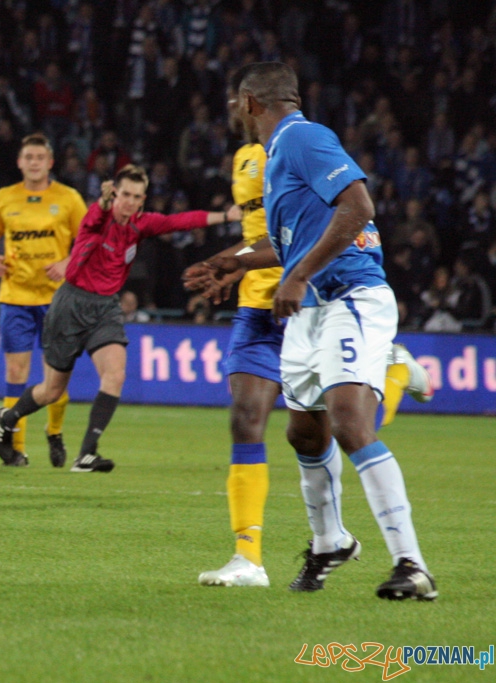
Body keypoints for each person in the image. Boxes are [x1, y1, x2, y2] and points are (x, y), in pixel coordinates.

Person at [184, 65, 435, 589]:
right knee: (304, 431)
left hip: (351, 295)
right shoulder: (277, 156)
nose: (235, 111)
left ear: (251, 102)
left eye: (237, 102)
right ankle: (330, 543)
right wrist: (235, 261)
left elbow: (358, 205)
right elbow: (291, 240)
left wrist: (296, 276)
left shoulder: (303, 137)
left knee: (348, 423)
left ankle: (412, 565)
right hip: (309, 311)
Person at [0, 165, 241, 472]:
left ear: (142, 200)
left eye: (136, 196)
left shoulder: (141, 224)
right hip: (71, 304)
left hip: (106, 308)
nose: (129, 201)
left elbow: (179, 221)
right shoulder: (98, 219)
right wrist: (104, 201)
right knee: (51, 391)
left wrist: (225, 217)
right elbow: (97, 214)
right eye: (124, 194)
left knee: (115, 374)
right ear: (116, 194)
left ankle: (86, 454)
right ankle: (8, 418)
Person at [0, 133, 87, 468]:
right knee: (16, 370)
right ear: (20, 161)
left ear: (51, 162)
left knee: (56, 375)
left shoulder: (68, 198)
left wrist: (68, 263)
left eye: (41, 156)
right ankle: (18, 449)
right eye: (29, 156)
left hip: (58, 299)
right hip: (15, 295)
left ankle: (54, 431)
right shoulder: (3, 199)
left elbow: (89, 240)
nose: (35, 162)